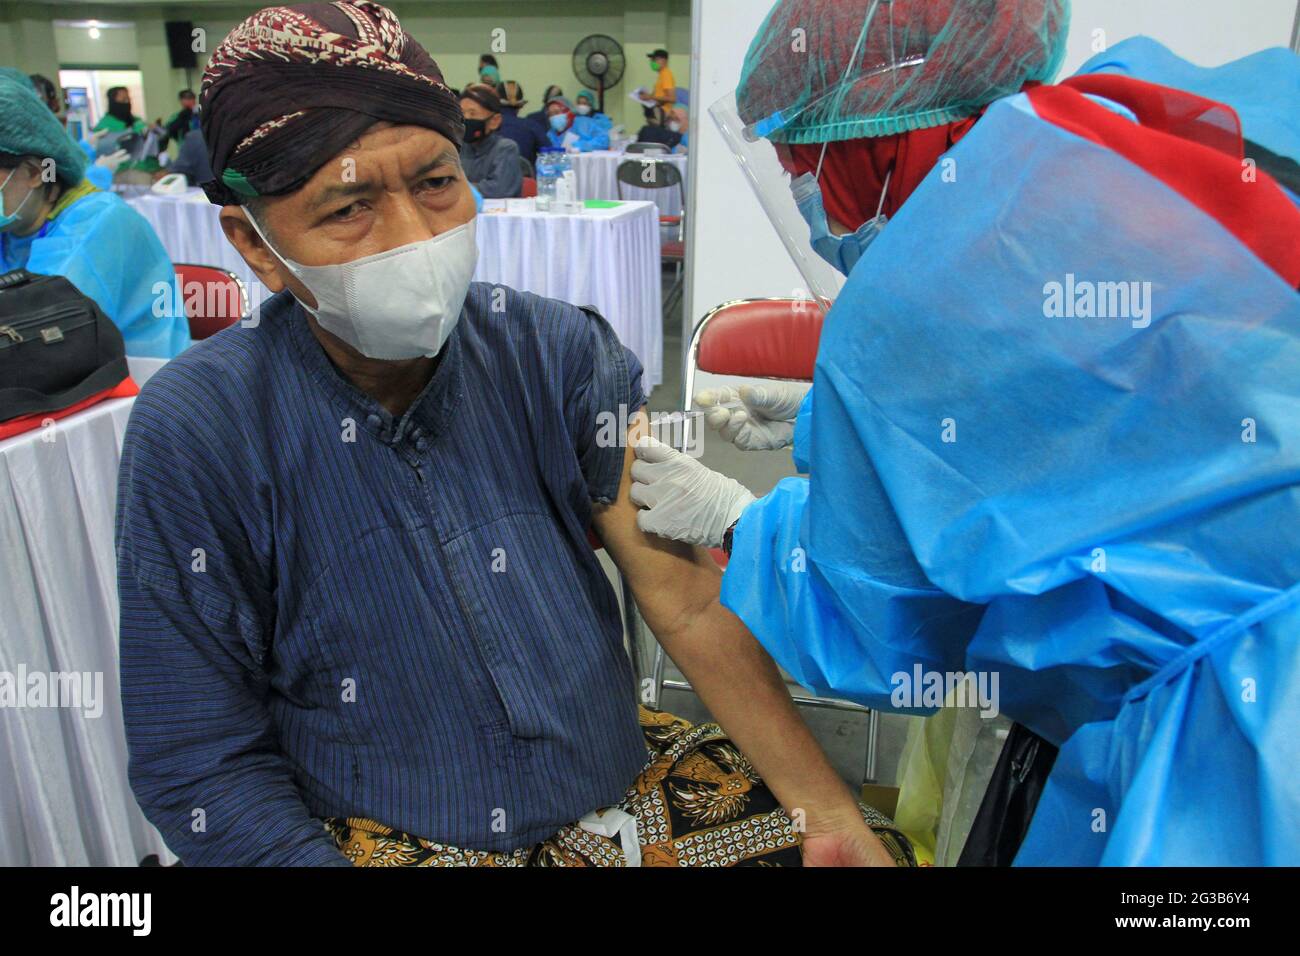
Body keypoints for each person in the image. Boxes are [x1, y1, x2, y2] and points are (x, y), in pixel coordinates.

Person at [116, 0, 913, 869]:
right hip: (384, 833)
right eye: (349, 207)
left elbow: (681, 598)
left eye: (434, 183)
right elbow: (200, 759)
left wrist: (827, 814)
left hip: (618, 788)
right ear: (255, 244)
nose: (415, 240)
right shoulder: (202, 429)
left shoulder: (552, 350)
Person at [628, 0, 1300, 866]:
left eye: (805, 164)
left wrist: (737, 519)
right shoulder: (1121, 130)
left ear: (880, 138)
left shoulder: (932, 277)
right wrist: (838, 432)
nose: (805, 198)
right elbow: (1105, 431)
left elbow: (891, 624)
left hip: (1235, 740)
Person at [0, 75, 189, 359]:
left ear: (35, 173)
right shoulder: (15, 228)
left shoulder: (98, 224)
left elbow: (40, 334)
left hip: (139, 386)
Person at [458, 83, 522, 198]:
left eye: (473, 113)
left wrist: (456, 188)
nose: (466, 119)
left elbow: (499, 189)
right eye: (462, 114)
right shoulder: (457, 148)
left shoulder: (505, 148)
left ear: (495, 121)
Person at [91, 86, 161, 182]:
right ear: (113, 102)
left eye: (128, 100)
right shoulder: (103, 126)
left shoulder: (137, 121)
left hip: (149, 170)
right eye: (123, 100)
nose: (127, 103)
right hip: (122, 172)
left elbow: (151, 150)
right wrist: (133, 132)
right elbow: (105, 151)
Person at [497, 80, 547, 167]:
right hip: (525, 179)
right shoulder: (532, 126)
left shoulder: (487, 127)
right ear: (521, 106)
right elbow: (551, 155)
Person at [545, 93, 610, 152]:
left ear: (568, 112)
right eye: (550, 114)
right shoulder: (551, 134)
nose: (553, 117)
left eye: (557, 112)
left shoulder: (584, 124)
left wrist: (581, 146)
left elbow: (604, 140)